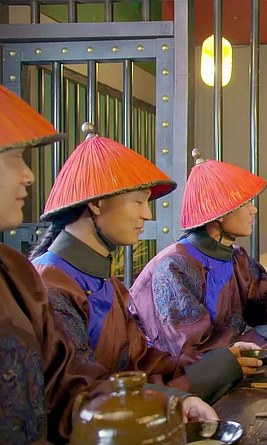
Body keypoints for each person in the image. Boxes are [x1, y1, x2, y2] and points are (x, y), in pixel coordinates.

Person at [0, 88, 216, 444]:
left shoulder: (21, 273)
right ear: (97, 203)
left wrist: (205, 376)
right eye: (14, 158)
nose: (29, 176)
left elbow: (110, 375)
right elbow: (70, 401)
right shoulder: (49, 283)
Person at [29, 127, 263, 406]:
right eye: (139, 201)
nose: (147, 214)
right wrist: (188, 389)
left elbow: (141, 363)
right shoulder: (50, 287)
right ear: (97, 204)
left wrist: (220, 362)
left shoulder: (105, 282)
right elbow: (81, 399)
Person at [129, 151, 267, 357]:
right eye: (246, 203)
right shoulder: (173, 266)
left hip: (222, 367)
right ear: (221, 212)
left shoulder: (237, 259)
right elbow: (191, 350)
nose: (254, 210)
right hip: (171, 374)